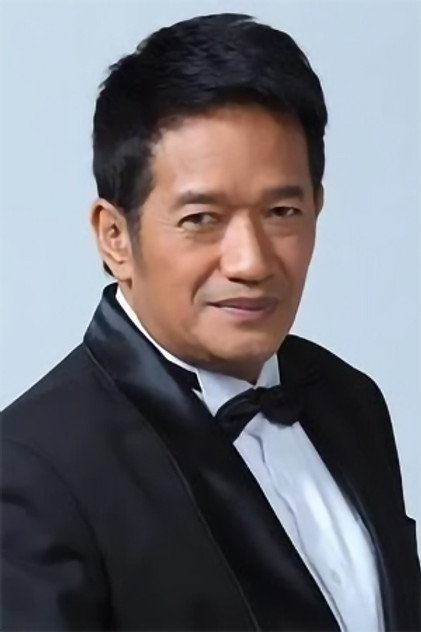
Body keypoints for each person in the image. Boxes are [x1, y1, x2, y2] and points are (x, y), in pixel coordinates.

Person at [1, 13, 420, 632]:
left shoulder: (350, 400)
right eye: (202, 219)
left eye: (282, 211)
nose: (251, 262)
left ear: (317, 208)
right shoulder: (30, 474)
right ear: (115, 237)